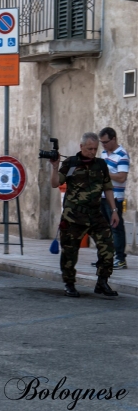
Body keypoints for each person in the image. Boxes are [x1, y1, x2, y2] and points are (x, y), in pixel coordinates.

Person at [50, 132, 120, 298]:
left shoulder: (101, 165)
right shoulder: (71, 163)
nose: (92, 152)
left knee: (108, 246)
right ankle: (69, 284)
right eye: (89, 148)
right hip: (73, 216)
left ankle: (102, 281)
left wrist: (114, 210)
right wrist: (54, 166)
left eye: (95, 149)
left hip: (95, 215)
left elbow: (108, 188)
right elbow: (55, 183)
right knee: (69, 252)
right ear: (81, 147)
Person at [98, 127, 130, 269]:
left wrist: (104, 173)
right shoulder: (104, 154)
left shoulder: (122, 155)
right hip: (102, 196)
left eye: (105, 142)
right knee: (105, 229)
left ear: (114, 139)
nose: (103, 145)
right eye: (101, 142)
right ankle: (106, 258)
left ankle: (120, 259)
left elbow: (122, 177)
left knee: (116, 228)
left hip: (115, 197)